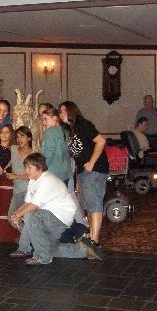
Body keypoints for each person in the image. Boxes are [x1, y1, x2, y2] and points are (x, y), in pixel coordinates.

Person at [10, 153, 95, 265]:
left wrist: (18, 215)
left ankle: (41, 257)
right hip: (49, 218)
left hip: (59, 219)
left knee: (30, 215)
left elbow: (33, 205)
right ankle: (83, 250)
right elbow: (28, 203)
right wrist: (16, 214)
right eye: (26, 168)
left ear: (39, 168)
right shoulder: (33, 181)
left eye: (29, 168)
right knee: (49, 248)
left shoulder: (47, 180)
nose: (26, 171)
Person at [59, 101, 107, 260]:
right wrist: (78, 179)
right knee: (88, 205)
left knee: (94, 204)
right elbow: (77, 157)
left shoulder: (83, 124)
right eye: (60, 112)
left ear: (72, 110)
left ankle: (94, 241)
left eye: (64, 110)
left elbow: (101, 141)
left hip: (95, 169)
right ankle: (93, 240)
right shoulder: (70, 130)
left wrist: (92, 162)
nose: (61, 114)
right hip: (84, 172)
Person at [6, 126, 33, 258]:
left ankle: (25, 245)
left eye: (23, 136)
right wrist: (1, 168)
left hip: (28, 192)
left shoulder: (33, 154)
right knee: (12, 217)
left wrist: (15, 176)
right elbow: (11, 162)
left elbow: (32, 176)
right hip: (17, 191)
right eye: (17, 136)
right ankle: (29, 238)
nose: (19, 139)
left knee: (20, 218)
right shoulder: (13, 149)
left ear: (29, 138)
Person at [40, 108, 72, 183]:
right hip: (65, 173)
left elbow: (48, 154)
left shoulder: (50, 132)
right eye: (42, 120)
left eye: (46, 119)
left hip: (53, 173)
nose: (43, 123)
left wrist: (40, 169)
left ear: (55, 118)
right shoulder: (66, 131)